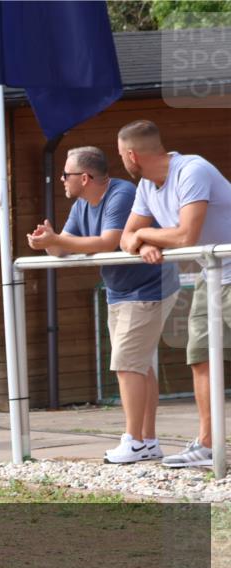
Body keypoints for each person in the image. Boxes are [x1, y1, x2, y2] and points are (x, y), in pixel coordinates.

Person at [28, 146, 180, 464]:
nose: (61, 180)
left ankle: (134, 441)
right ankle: (148, 441)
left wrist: (57, 240)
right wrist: (47, 241)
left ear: (84, 177)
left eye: (66, 175)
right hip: (120, 291)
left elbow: (108, 241)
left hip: (149, 288)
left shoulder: (121, 194)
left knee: (126, 365)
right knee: (139, 365)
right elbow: (64, 249)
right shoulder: (83, 204)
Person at [119, 119, 231, 469]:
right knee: (200, 356)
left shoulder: (191, 170)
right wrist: (142, 243)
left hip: (224, 267)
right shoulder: (146, 187)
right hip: (210, 273)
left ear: (132, 155)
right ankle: (209, 445)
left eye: (120, 154)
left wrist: (147, 237)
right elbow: (126, 238)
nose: (121, 160)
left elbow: (186, 235)